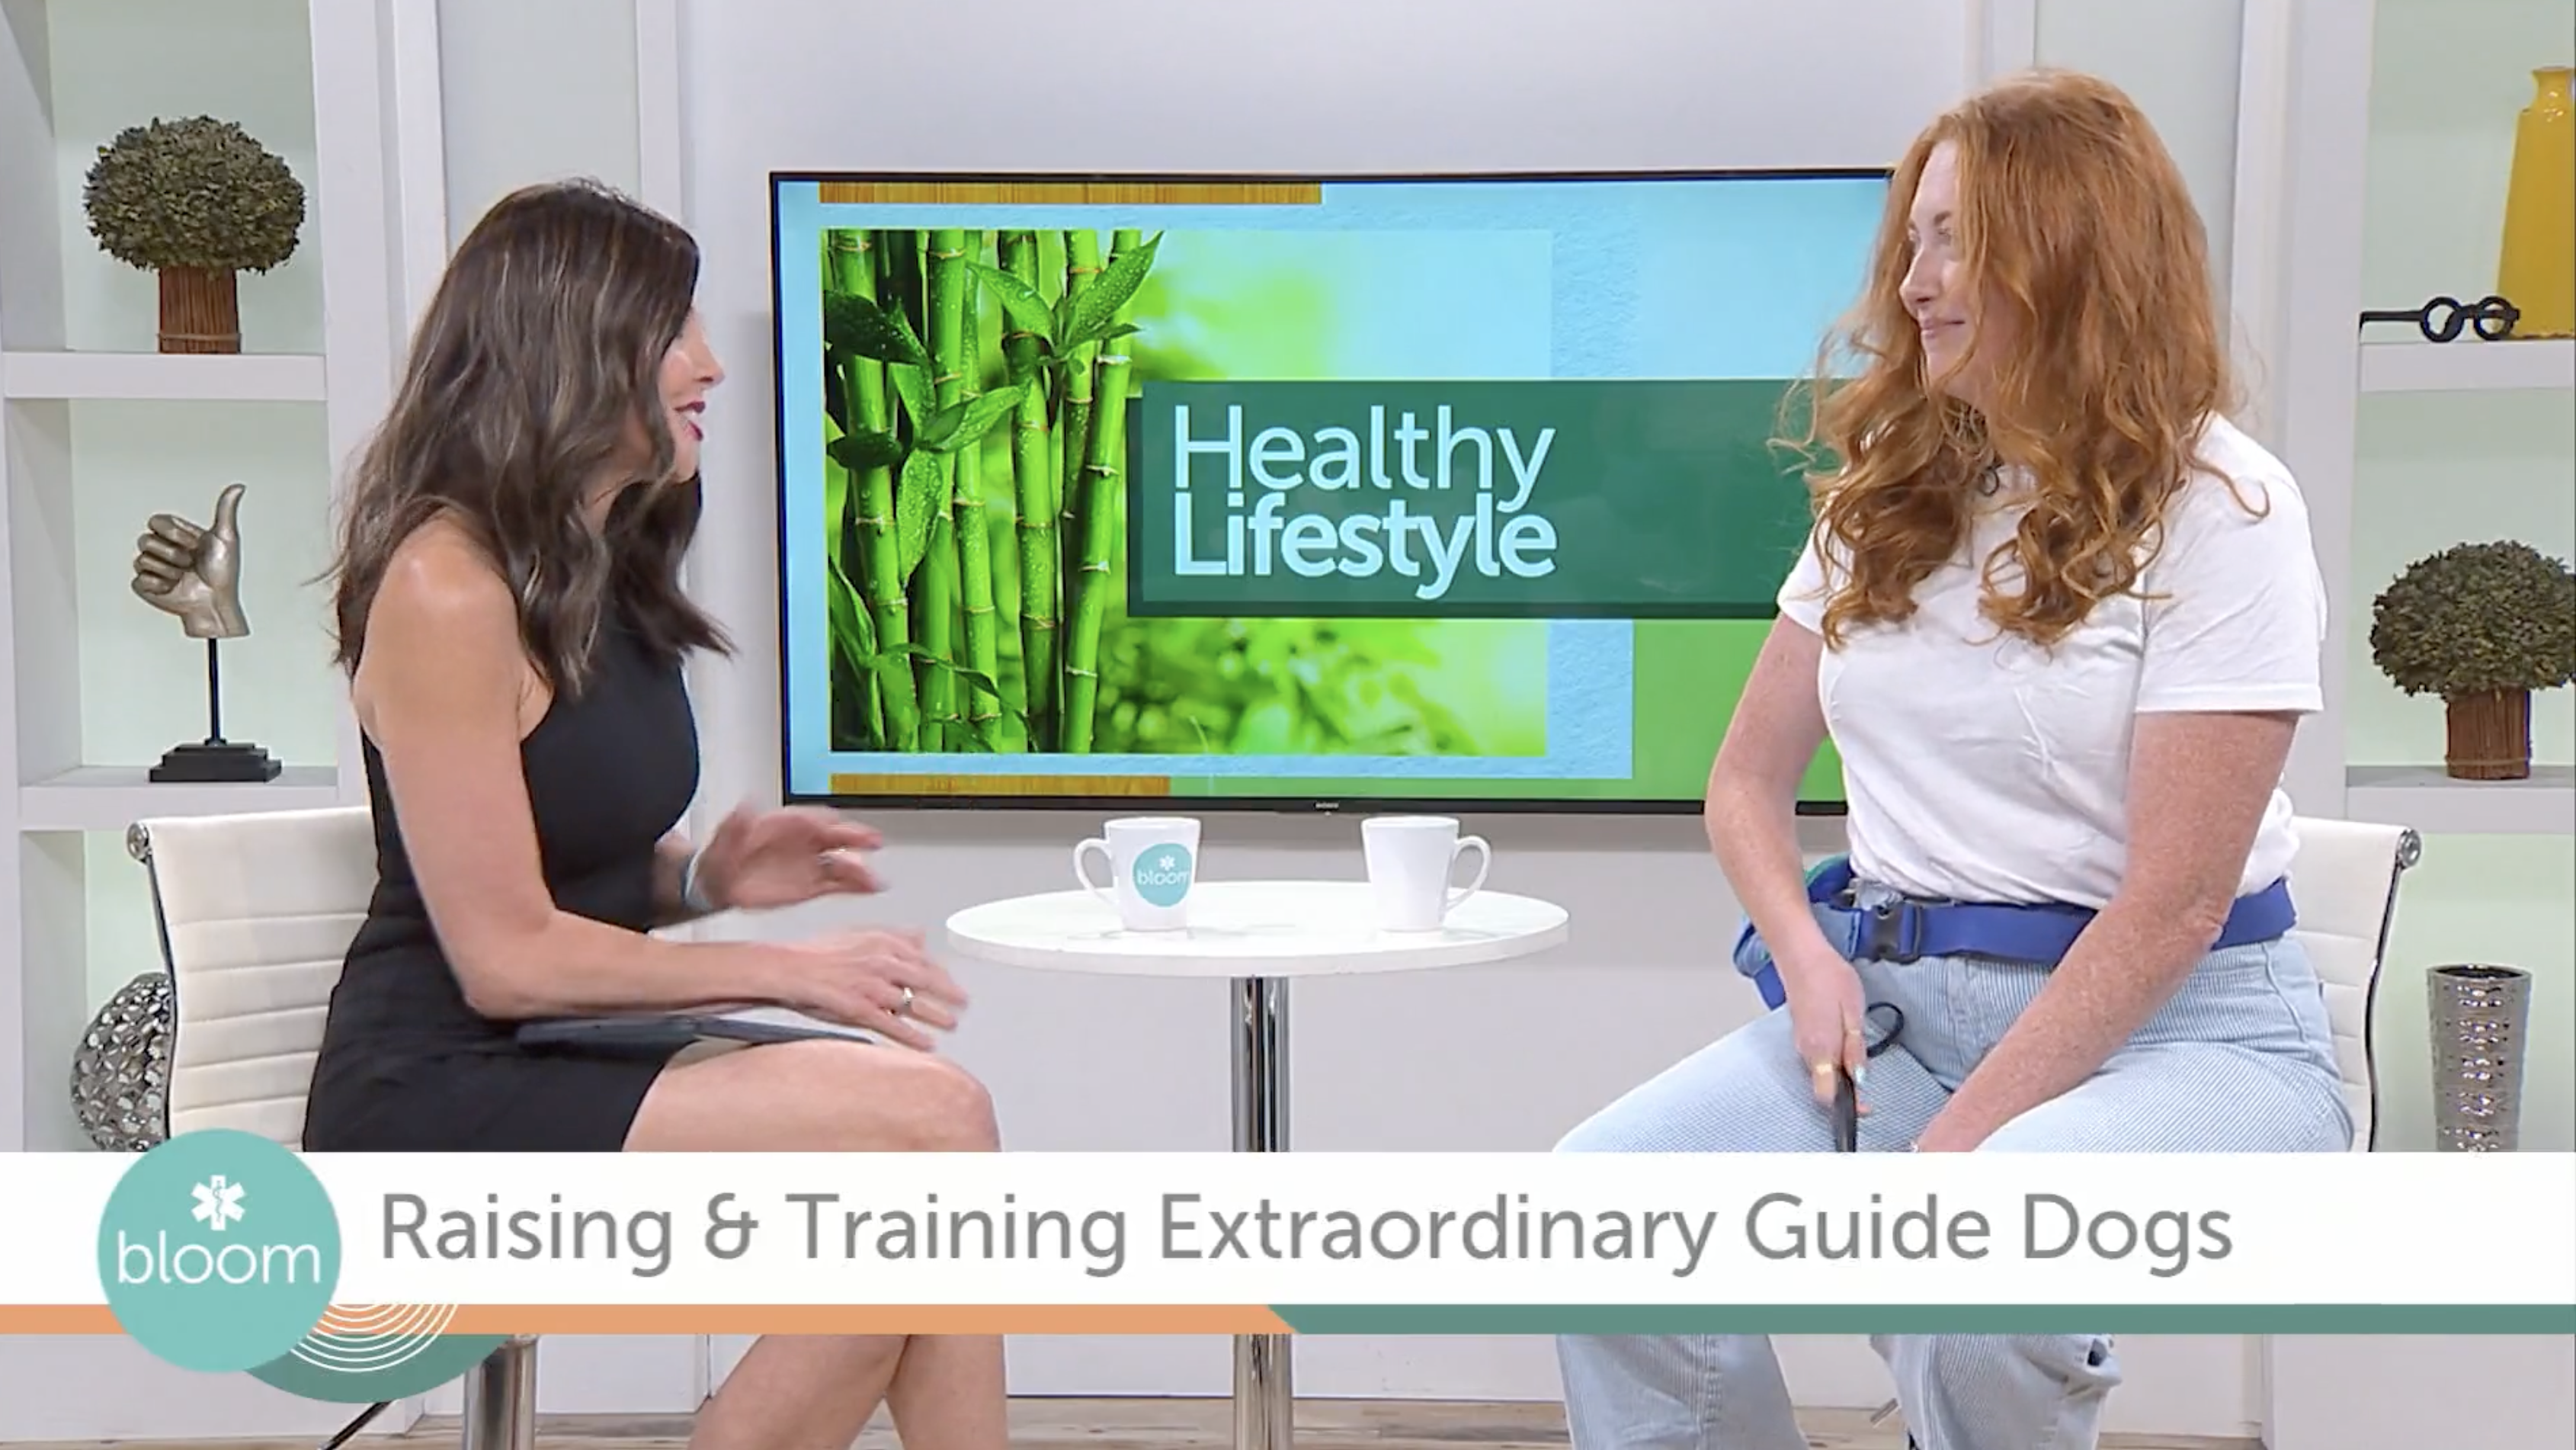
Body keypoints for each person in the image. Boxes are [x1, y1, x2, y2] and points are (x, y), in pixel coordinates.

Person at [1552, 69, 2348, 1450]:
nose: (1913, 283)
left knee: (1971, 1253)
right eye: (1910, 240)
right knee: (1596, 1209)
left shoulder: (2227, 510)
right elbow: (1743, 785)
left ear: (2075, 251)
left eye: (1956, 239)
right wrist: (1804, 957)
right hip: (1902, 1012)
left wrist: (1946, 1155)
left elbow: (2171, 909)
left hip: (2191, 1036)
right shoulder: (1893, 499)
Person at [302, 179, 1008, 1450]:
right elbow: (506, 954)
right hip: (438, 1088)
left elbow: (568, 861)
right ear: (574, 346)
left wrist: (710, 879)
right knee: (935, 1126)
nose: (711, 362)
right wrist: (793, 976)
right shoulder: (444, 587)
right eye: (674, 327)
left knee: (914, 1183)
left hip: (555, 1048)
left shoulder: (596, 566)